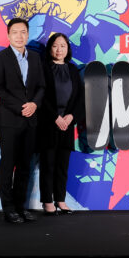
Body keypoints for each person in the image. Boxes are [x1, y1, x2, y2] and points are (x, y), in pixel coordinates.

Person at [0, 18, 45, 224]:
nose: (19, 36)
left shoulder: (36, 58)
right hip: (9, 120)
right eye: (15, 32)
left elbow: (42, 87)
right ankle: (9, 209)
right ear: (8, 35)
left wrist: (34, 104)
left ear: (28, 34)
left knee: (24, 165)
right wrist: (21, 107)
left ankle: (21, 206)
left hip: (31, 120)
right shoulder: (0, 58)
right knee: (8, 163)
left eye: (23, 32)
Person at [38, 33, 83, 215]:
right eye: (55, 45)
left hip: (67, 124)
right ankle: (47, 202)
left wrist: (71, 117)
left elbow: (79, 97)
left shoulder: (73, 69)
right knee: (47, 164)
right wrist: (55, 117)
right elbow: (40, 96)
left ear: (67, 49)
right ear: (50, 48)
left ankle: (60, 199)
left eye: (63, 46)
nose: (59, 49)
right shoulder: (44, 68)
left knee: (62, 165)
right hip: (49, 123)